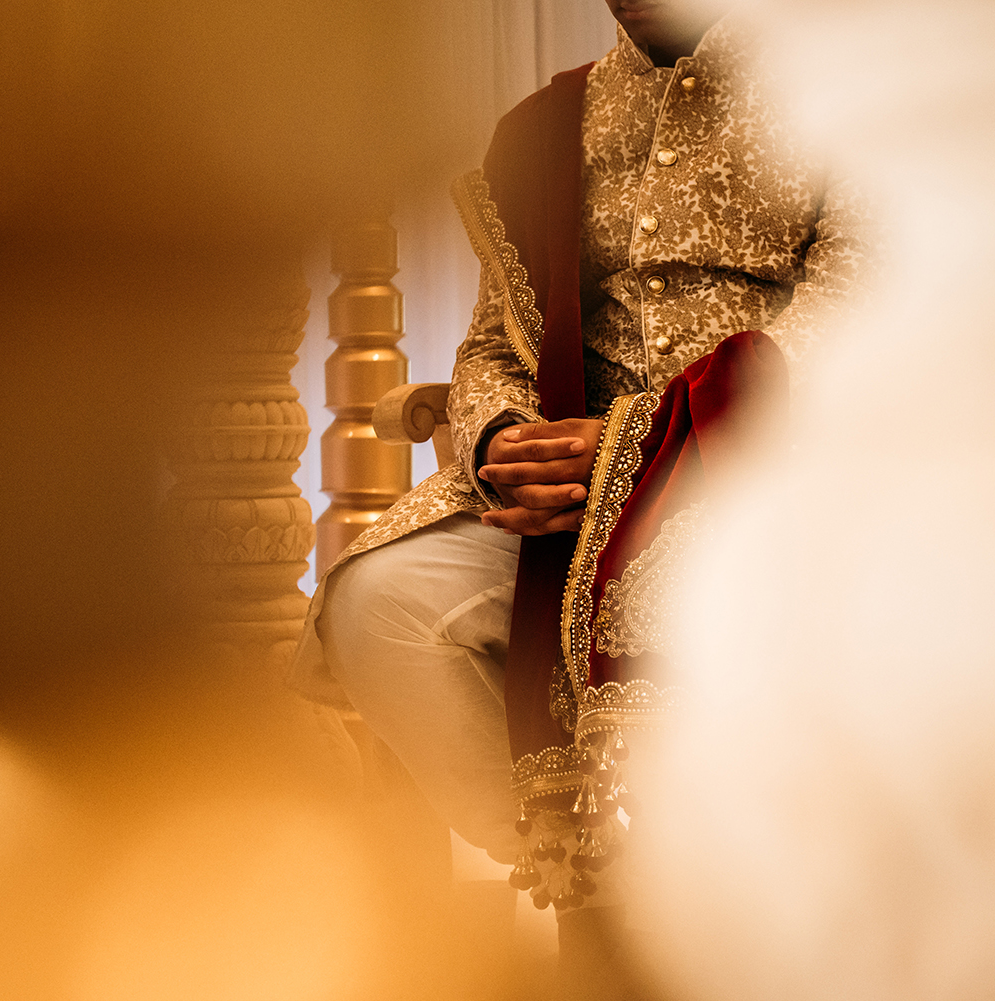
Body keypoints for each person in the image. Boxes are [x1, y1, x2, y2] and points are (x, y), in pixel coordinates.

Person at [289, 0, 869, 993]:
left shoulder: (842, 97)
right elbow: (491, 344)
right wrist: (498, 439)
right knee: (377, 598)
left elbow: (861, 316)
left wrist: (659, 434)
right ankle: (591, 873)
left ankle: (752, 907)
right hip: (568, 493)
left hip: (768, 478)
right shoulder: (547, 127)